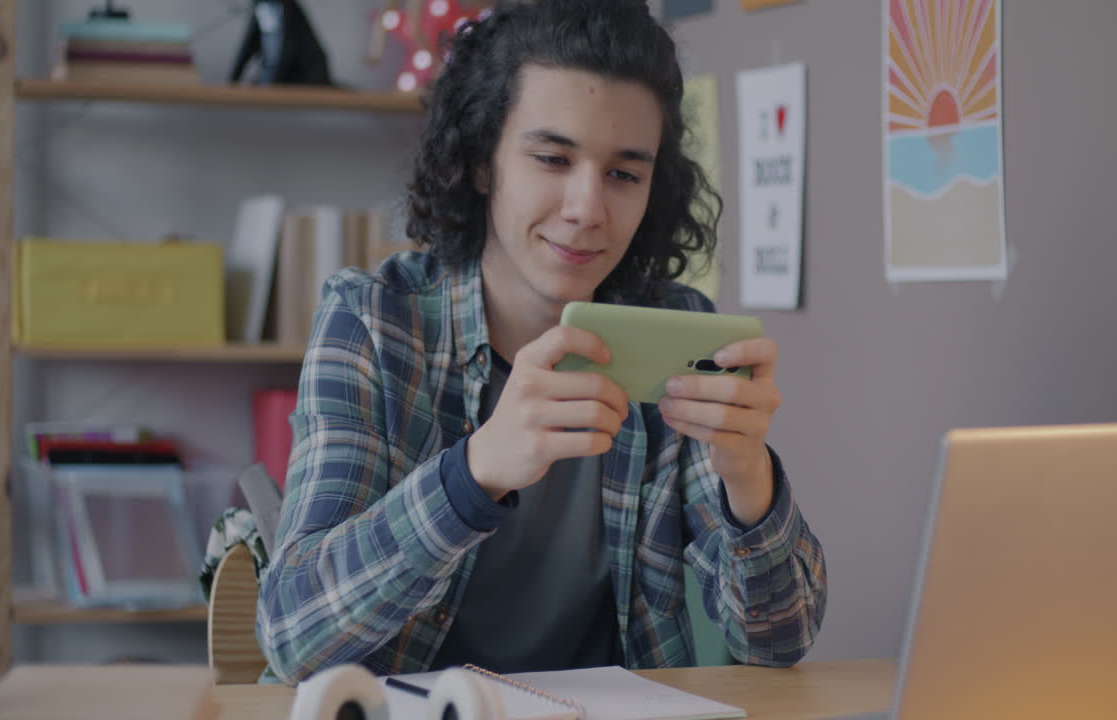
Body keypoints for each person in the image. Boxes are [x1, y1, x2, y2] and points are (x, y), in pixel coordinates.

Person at [257, 0, 826, 684]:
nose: (587, 208)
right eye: (553, 158)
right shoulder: (376, 321)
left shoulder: (677, 329)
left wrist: (748, 480)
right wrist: (474, 472)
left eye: (624, 173)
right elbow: (292, 635)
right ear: (482, 164)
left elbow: (781, 641)